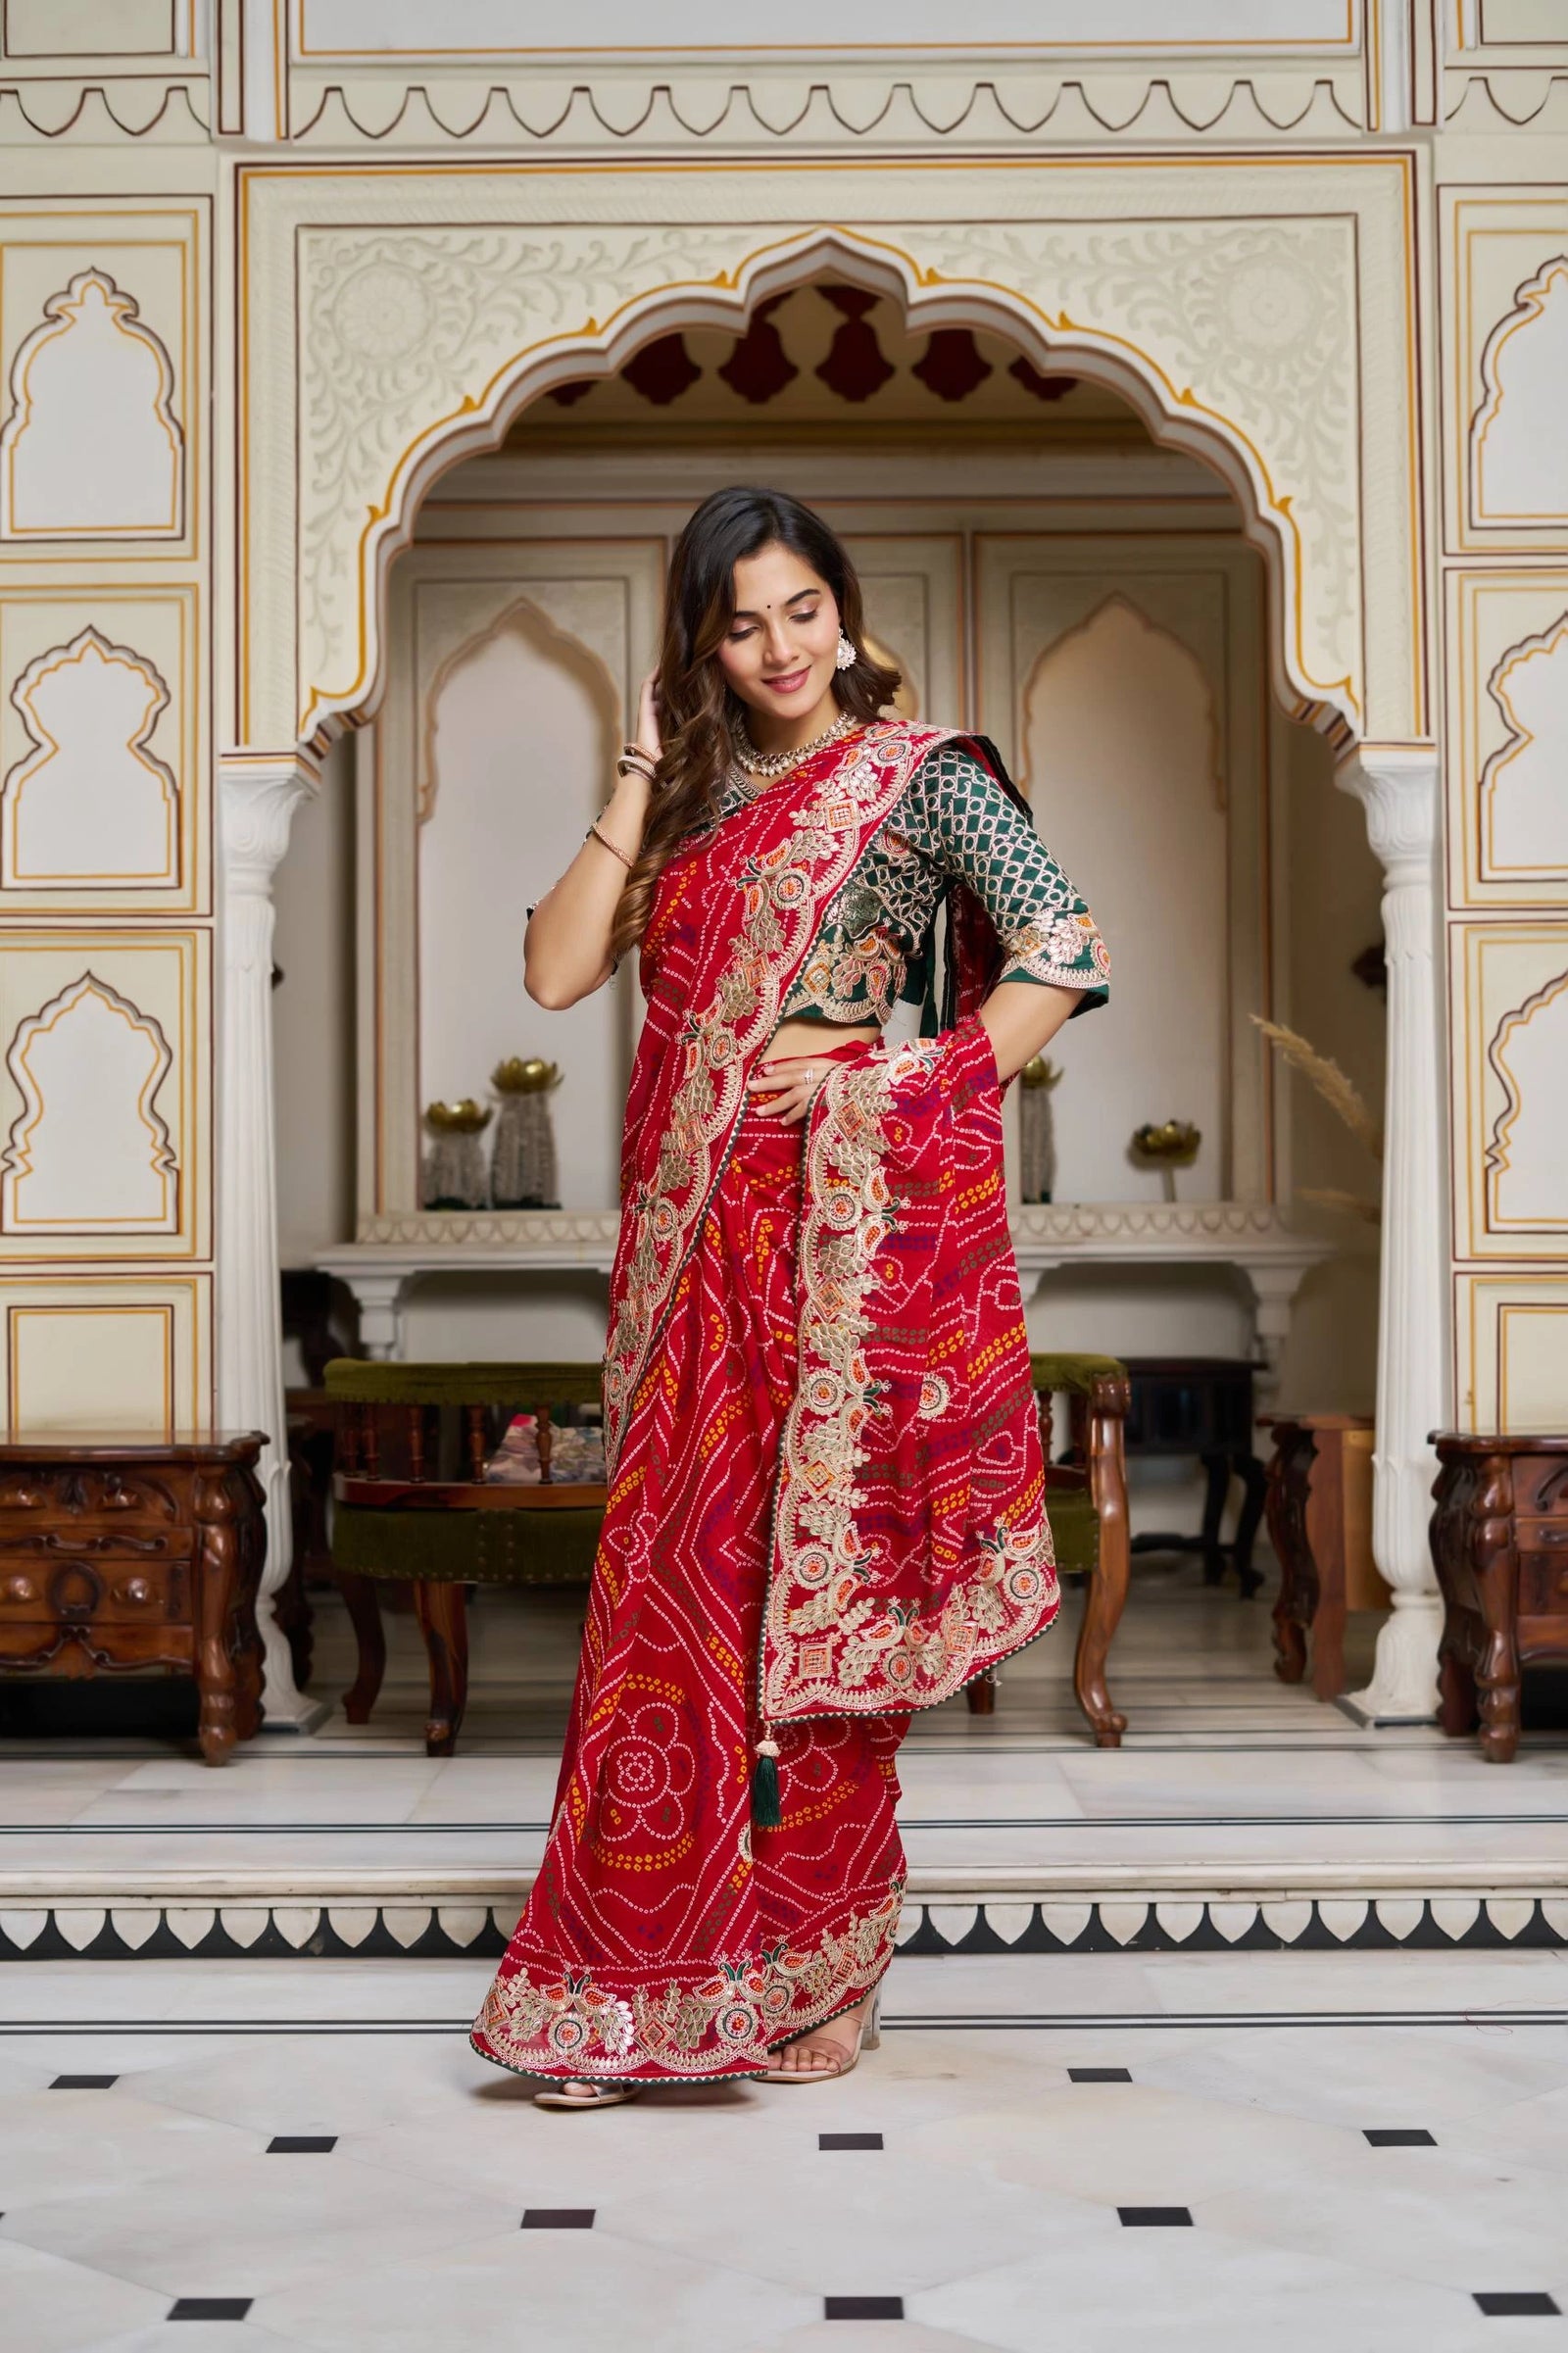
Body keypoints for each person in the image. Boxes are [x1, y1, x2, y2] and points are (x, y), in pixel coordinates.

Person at [470, 486, 1109, 2108]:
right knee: (665, 1611)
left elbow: (1066, 947)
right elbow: (553, 972)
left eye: (800, 610)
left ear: (843, 607)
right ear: (702, 643)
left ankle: (833, 1956)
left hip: (841, 1254)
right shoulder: (685, 808)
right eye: (739, 623)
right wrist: (636, 764)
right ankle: (627, 1984)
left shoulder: (920, 778)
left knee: (813, 1615)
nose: (776, 648)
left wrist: (902, 1081)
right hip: (691, 1259)